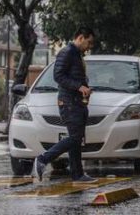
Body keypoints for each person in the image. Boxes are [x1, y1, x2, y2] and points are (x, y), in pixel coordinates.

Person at [33, 27, 97, 183]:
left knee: (76, 138)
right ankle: (42, 159)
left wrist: (85, 88)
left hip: (76, 102)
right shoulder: (67, 52)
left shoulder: (76, 54)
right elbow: (58, 76)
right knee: (75, 138)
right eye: (89, 42)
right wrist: (78, 87)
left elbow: (72, 76)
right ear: (81, 37)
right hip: (69, 103)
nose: (90, 47)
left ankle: (77, 174)